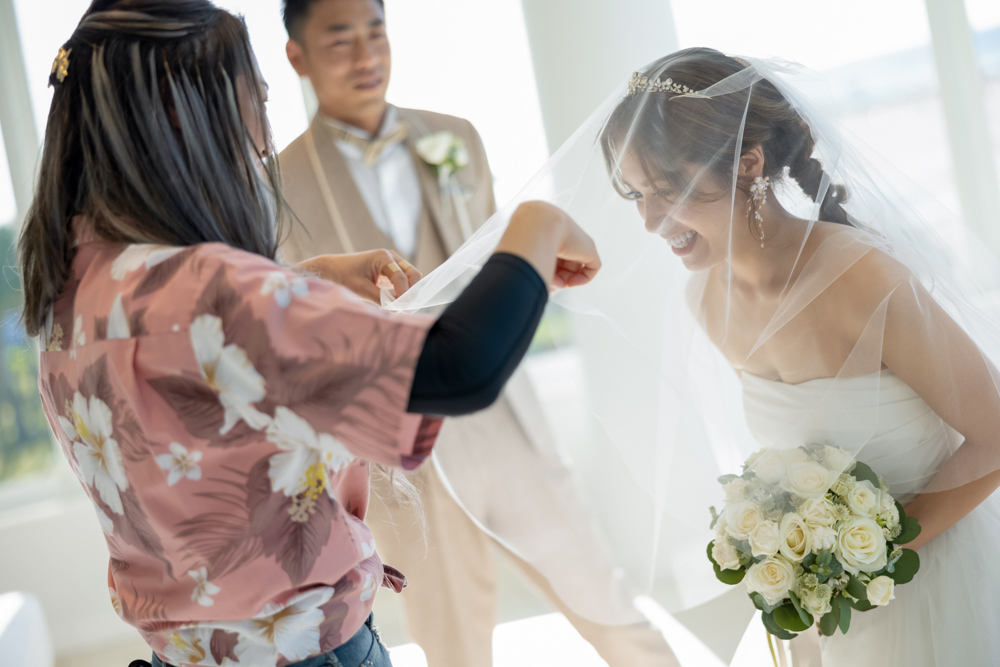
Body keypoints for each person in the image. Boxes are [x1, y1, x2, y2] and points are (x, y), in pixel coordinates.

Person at [15, 2, 600, 666]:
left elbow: (184, 357)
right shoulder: (218, 291)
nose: (266, 138)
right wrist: (533, 226)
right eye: (257, 101)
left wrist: (301, 280)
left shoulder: (75, 288)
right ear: (185, 114)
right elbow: (458, 367)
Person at [394, 46, 1000, 665]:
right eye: (636, 195)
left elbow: (996, 436)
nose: (652, 221)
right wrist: (795, 564)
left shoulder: (864, 278)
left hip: (936, 580)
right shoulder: (707, 300)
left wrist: (872, 559)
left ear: (748, 164)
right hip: (823, 608)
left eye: (670, 190)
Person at [276, 1, 681, 666]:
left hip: (504, 421)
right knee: (455, 646)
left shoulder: (454, 136)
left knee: (606, 603)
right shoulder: (278, 183)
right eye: (340, 41)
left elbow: (495, 258)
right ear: (298, 56)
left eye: (376, 33)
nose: (367, 56)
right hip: (399, 450)